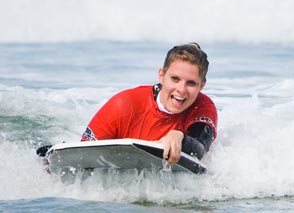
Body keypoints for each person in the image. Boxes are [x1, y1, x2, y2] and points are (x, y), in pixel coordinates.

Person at [81, 42, 218, 165]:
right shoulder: (124, 105)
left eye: (191, 83)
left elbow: (200, 149)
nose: (181, 90)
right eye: (175, 79)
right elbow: (81, 156)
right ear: (161, 75)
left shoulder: (203, 107)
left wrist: (180, 137)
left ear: (201, 86)